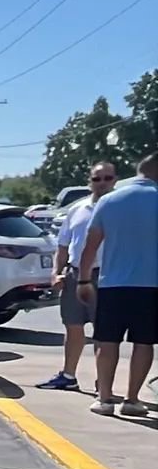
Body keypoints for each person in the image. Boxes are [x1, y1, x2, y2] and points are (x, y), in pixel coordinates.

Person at [76, 151, 158, 416]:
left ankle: (104, 399)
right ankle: (132, 400)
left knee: (107, 340)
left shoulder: (109, 200)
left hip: (112, 283)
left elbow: (91, 244)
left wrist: (83, 279)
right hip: (151, 285)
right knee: (144, 343)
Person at [38, 161, 117, 390]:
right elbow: (63, 246)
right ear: (89, 181)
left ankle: (103, 383)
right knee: (73, 326)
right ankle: (68, 376)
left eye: (107, 178)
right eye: (96, 178)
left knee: (103, 331)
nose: (102, 183)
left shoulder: (119, 210)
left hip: (106, 275)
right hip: (74, 274)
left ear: (115, 180)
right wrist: (56, 273)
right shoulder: (77, 209)